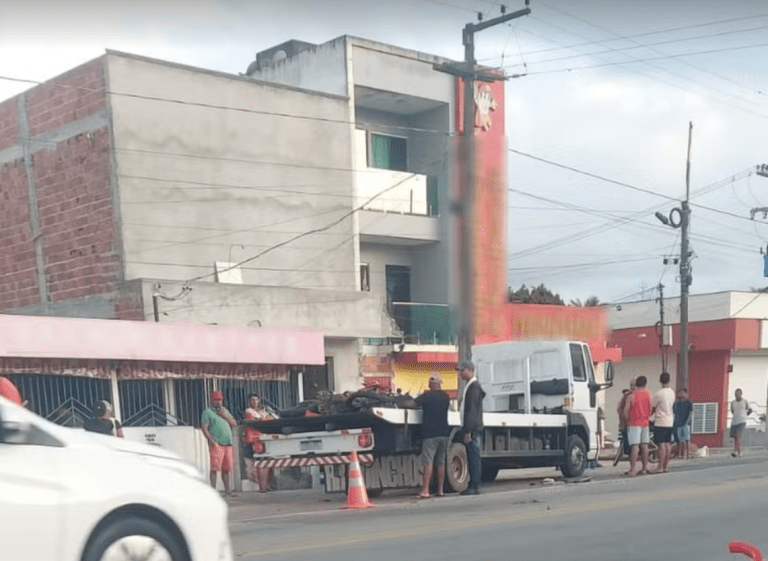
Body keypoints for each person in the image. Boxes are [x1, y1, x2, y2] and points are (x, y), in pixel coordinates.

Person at [415, 373, 450, 499]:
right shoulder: (446, 397)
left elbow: (413, 404)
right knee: (441, 462)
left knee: (428, 462)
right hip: (444, 434)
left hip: (430, 435)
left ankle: (425, 490)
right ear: (440, 383)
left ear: (430, 384)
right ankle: (440, 490)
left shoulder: (426, 396)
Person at [201, 390, 237, 496]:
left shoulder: (225, 411)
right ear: (211, 400)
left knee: (226, 469)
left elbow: (234, 423)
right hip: (217, 444)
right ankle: (213, 490)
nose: (218, 402)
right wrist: (212, 441)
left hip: (228, 444)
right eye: (216, 400)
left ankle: (228, 490)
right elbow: (204, 428)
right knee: (215, 468)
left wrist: (224, 415)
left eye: (220, 400)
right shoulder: (207, 412)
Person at [458, 360, 485, 495]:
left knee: (474, 457)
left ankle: (475, 485)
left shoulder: (473, 387)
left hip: (473, 428)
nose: (460, 373)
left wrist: (467, 430)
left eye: (462, 371)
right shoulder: (471, 386)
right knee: (472, 456)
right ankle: (473, 484)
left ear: (469, 370)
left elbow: (471, 411)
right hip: (472, 427)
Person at [243, 393, 274, 493]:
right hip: (255, 440)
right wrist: (264, 419)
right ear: (249, 401)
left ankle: (267, 484)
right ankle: (262, 487)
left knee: (268, 463)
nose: (255, 402)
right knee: (261, 463)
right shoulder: (248, 411)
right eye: (252, 400)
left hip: (265, 438)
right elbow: (256, 421)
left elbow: (270, 419)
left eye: (256, 400)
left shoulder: (262, 411)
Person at [624, 375, 651, 477]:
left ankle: (633, 469)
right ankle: (644, 468)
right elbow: (651, 409)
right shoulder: (648, 395)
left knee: (635, 447)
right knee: (645, 446)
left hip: (634, 423)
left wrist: (627, 420)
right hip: (645, 422)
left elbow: (626, 411)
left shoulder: (631, 396)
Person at [650, 372, 675, 473]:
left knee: (661, 445)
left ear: (660, 381)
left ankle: (660, 466)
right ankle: (666, 466)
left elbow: (653, 407)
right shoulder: (671, 392)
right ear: (669, 380)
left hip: (660, 421)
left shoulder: (659, 394)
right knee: (668, 444)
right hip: (669, 420)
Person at [616, 378, 637, 456]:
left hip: (636, 423)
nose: (632, 387)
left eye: (634, 385)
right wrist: (624, 419)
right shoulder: (627, 396)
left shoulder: (640, 395)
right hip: (627, 423)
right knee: (629, 444)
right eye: (631, 385)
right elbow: (620, 408)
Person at [672, 388, 693, 460]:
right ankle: (679, 454)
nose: (681, 394)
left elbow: (691, 413)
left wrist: (687, 422)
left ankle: (686, 454)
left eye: (682, 393)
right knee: (680, 440)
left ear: (686, 393)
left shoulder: (689, 402)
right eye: (679, 393)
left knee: (686, 440)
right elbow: (674, 413)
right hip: (678, 424)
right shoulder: (676, 403)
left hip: (686, 424)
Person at [730, 388, 751, 458]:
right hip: (735, 421)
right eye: (736, 394)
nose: (737, 395)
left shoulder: (745, 401)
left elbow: (750, 410)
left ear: (741, 394)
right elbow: (732, 411)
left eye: (738, 393)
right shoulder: (733, 403)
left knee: (738, 435)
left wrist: (745, 415)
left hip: (742, 421)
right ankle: (735, 451)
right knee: (735, 437)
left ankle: (739, 452)